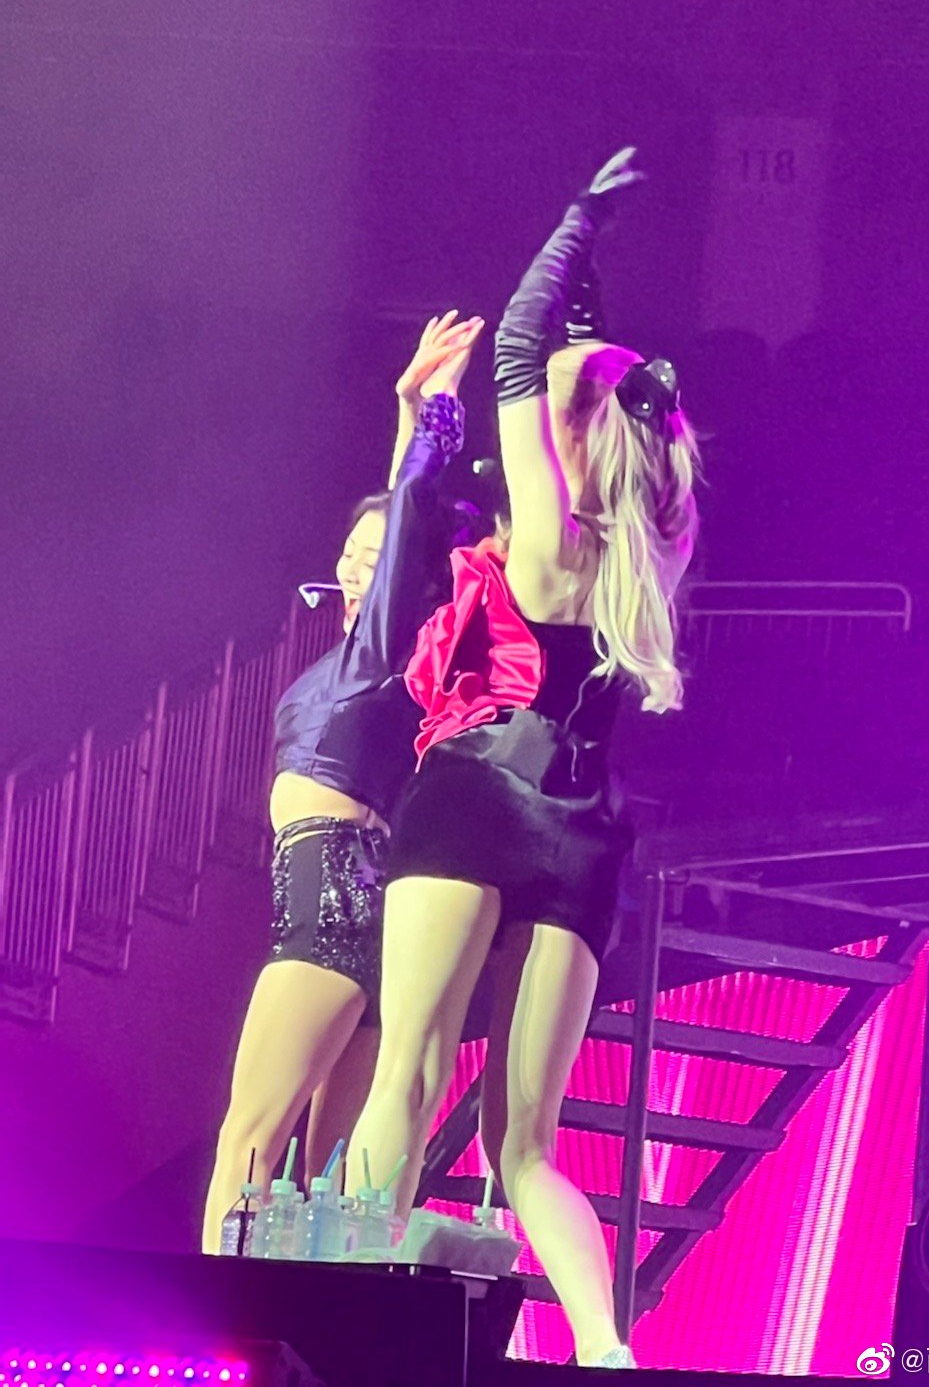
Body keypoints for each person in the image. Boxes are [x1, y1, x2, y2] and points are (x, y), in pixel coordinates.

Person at [346, 150, 698, 1366]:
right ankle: (605, 1349)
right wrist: (591, 295)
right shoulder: (649, 544)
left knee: (406, 1073)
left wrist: (576, 225)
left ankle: (347, 1322)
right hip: (587, 830)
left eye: (548, 413)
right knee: (529, 1145)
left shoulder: (542, 538)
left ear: (567, 432)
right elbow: (564, 375)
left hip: (479, 794)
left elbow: (515, 351)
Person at [202, 311, 484, 1252]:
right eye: (352, 557)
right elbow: (403, 522)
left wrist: (429, 412)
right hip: (360, 910)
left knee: (248, 1144)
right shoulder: (379, 662)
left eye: (378, 557)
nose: (360, 568)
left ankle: (210, 1311)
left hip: (329, 905)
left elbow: (413, 513)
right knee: (326, 1186)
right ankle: (306, 1315)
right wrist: (407, 419)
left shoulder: (386, 653)